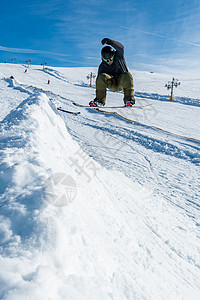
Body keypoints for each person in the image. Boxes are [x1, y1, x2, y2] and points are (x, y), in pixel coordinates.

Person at [89, 38, 135, 107]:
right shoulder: (102, 66)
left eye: (110, 59)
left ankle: (129, 100)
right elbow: (100, 82)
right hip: (112, 84)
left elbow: (121, 47)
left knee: (127, 75)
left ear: (114, 55)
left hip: (122, 82)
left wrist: (110, 42)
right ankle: (100, 101)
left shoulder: (119, 57)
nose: (109, 62)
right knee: (101, 76)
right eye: (106, 60)